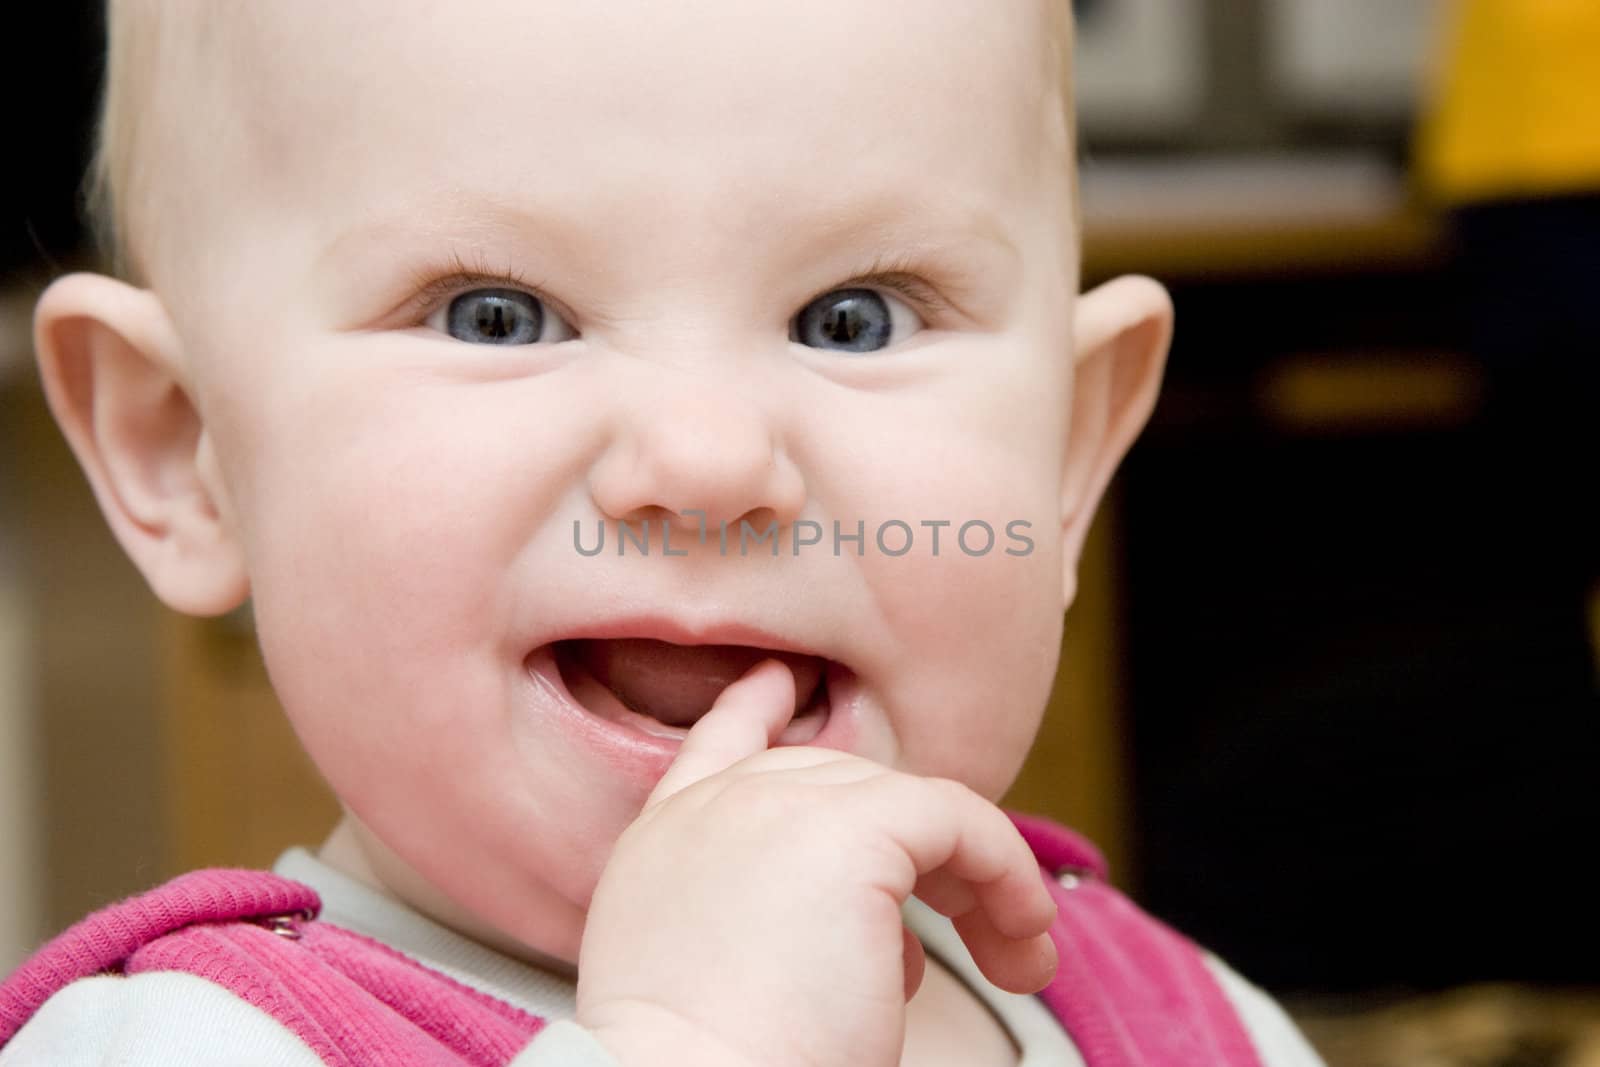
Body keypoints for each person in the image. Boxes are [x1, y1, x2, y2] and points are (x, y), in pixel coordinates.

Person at [0, 2, 1325, 1064]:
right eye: (495, 315)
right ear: (183, 453)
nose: (707, 460)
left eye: (852, 316)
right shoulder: (172, 1044)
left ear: (1068, 455)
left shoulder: (1196, 1025)